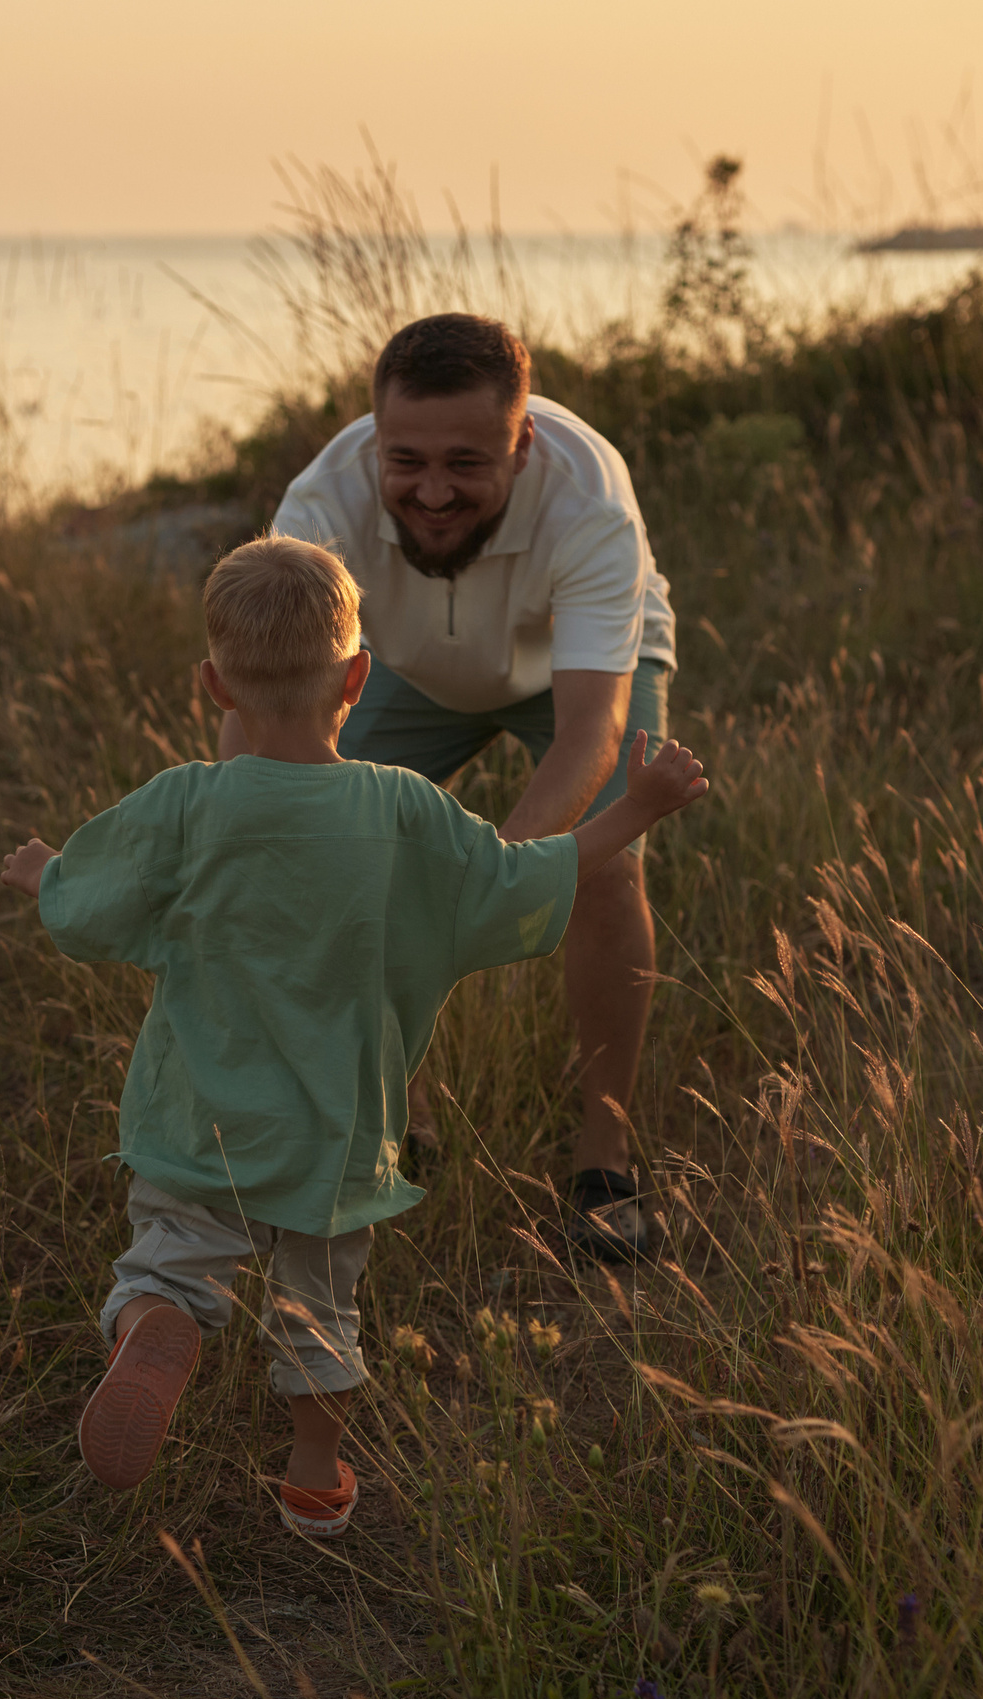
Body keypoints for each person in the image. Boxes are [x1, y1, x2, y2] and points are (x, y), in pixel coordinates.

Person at [0, 537, 708, 1532]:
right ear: (358, 679)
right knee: (321, 1309)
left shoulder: (184, 803)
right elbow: (525, 876)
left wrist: (46, 874)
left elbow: (90, 906)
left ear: (214, 686)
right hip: (339, 1132)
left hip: (199, 1121)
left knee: (164, 1260)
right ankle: (313, 1473)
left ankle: (160, 1321)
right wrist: (637, 806)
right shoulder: (403, 811)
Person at [259, 312, 680, 1265]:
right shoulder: (319, 505)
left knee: (603, 869)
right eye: (406, 460)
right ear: (374, 438)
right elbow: (266, 711)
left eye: (467, 463)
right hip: (404, 665)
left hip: (574, 672)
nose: (434, 490)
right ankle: (396, 1116)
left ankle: (605, 1159)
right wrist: (251, 823)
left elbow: (591, 729)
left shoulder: (590, 505)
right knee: (332, 850)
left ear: (522, 444)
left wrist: (493, 875)